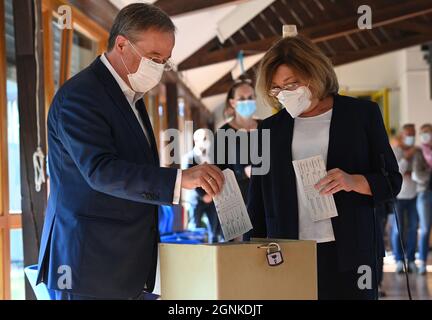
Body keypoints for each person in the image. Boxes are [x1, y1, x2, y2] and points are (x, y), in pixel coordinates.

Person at [37, 3, 224, 300]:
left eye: (165, 61)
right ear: (122, 45)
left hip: (124, 264)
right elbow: (101, 171)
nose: (159, 67)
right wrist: (179, 180)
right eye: (154, 58)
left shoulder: (131, 98)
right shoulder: (81, 96)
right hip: (88, 264)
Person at [246, 33, 402, 300]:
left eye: (291, 84)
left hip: (351, 250)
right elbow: (258, 197)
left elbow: (391, 181)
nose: (284, 95)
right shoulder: (270, 128)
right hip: (288, 249)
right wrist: (252, 251)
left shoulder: (361, 115)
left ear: (314, 73)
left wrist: (353, 181)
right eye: (276, 89)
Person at [216, 78, 261, 201]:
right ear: (232, 102)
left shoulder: (266, 126)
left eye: (250, 97)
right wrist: (243, 172)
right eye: (241, 99)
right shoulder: (223, 134)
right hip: (240, 200)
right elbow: (218, 173)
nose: (247, 101)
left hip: (267, 198)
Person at [182, 129, 222, 242]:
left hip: (213, 199)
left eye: (208, 138)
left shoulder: (213, 156)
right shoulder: (189, 158)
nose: (207, 141)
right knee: (195, 230)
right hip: (196, 201)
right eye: (204, 139)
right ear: (196, 140)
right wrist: (204, 196)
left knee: (214, 231)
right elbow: (188, 180)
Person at [392, 124, 419, 274]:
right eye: (408, 134)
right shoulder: (396, 151)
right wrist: (406, 159)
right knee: (398, 229)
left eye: (413, 134)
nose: (411, 137)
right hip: (398, 196)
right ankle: (399, 260)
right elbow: (396, 172)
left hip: (414, 195)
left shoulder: (418, 152)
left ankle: (411, 259)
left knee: (413, 228)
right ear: (402, 135)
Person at [413, 124, 432, 275]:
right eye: (423, 133)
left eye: (428, 133)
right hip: (424, 194)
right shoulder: (418, 152)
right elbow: (417, 175)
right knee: (425, 229)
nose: (426, 135)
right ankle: (422, 263)